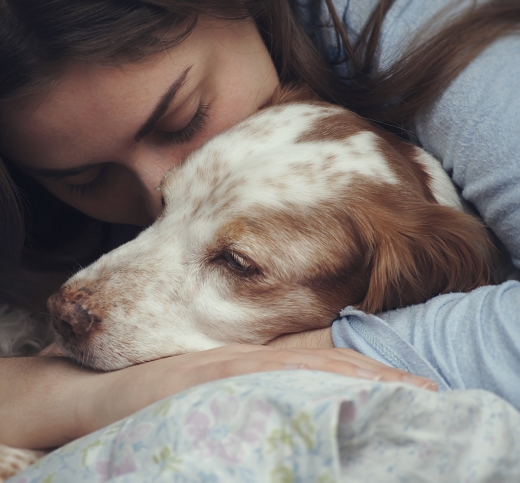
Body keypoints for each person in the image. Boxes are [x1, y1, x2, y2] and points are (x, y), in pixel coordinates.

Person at [0, 0, 518, 450]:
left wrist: (307, 357)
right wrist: (68, 396)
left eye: (183, 119)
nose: (77, 305)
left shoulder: (439, 54)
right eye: (85, 179)